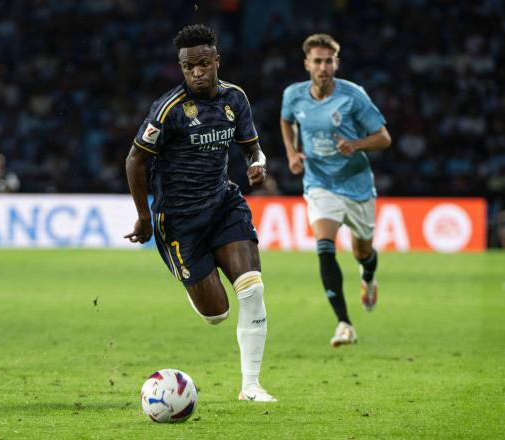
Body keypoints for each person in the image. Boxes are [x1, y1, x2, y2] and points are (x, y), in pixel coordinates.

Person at [124, 24, 275, 402]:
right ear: (181, 66)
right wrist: (144, 217)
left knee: (252, 288)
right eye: (188, 67)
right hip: (179, 220)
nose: (196, 73)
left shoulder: (235, 100)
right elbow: (134, 161)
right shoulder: (169, 109)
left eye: (203, 64)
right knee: (217, 314)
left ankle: (251, 387)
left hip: (223, 204)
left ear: (216, 61)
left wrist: (258, 163)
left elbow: (252, 149)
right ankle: (197, 282)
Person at [280, 34, 391, 348]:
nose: (323, 67)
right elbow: (286, 121)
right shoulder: (293, 95)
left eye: (329, 61)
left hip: (356, 185)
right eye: (317, 61)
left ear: (336, 63)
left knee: (362, 252)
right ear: (307, 64)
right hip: (319, 183)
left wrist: (356, 144)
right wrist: (291, 152)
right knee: (324, 245)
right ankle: (344, 323)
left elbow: (384, 138)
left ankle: (368, 278)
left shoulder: (353, 96)